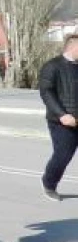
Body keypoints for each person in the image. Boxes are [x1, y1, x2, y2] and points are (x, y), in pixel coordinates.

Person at [39, 33, 78, 202]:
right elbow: (46, 92)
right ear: (73, 47)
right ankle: (49, 184)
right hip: (62, 121)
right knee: (63, 155)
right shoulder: (52, 66)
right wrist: (62, 114)